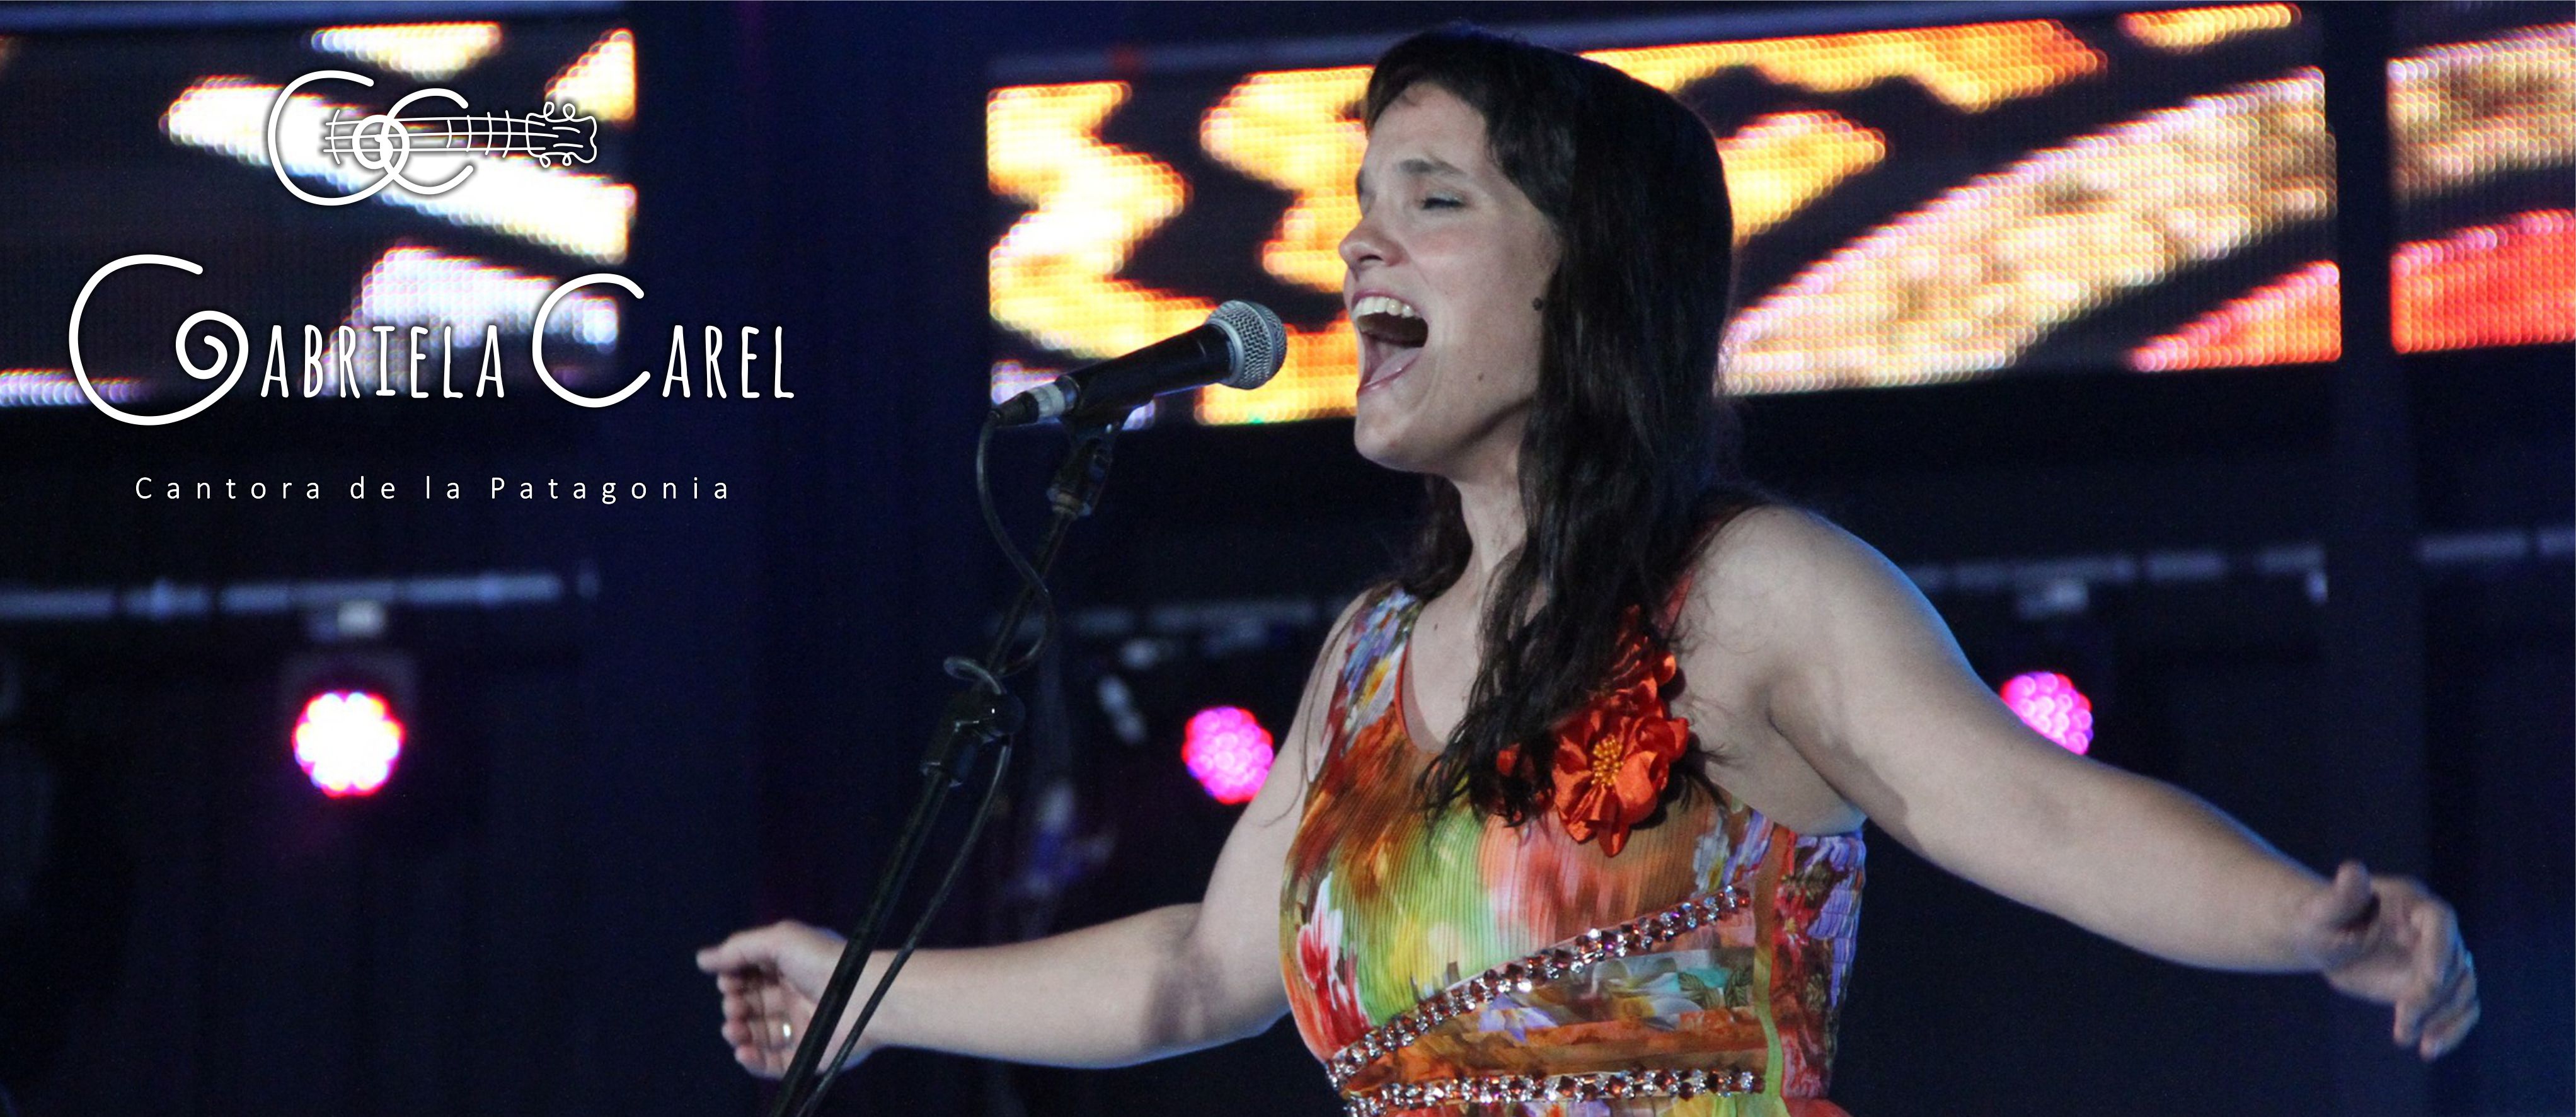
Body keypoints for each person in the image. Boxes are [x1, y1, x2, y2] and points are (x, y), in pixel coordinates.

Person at [698, 25, 2479, 1115]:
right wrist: (862, 992)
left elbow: (2034, 809)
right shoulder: (1365, 662)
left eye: (1434, 197)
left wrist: (2294, 925)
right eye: (1358, 201)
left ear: (1590, 277)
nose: (1353, 244)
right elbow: (1195, 970)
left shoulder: (1743, 593)